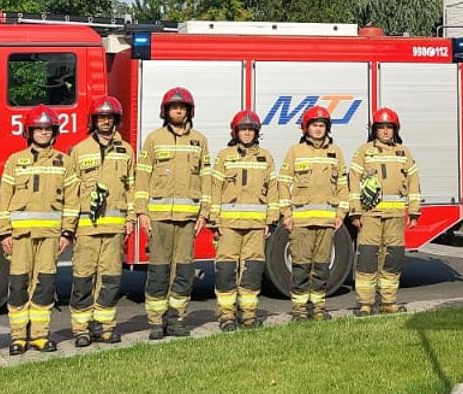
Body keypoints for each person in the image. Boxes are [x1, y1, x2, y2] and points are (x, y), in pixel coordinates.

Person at [133, 87, 210, 339]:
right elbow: (142, 177)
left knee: (183, 272)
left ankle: (176, 319)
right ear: (165, 111)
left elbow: (206, 179)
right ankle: (156, 322)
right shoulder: (154, 139)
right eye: (173, 107)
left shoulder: (199, 140)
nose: (178, 110)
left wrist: (204, 213)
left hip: (188, 221)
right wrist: (142, 213)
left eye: (182, 107)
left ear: (189, 111)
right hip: (159, 219)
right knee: (158, 272)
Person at [0, 105, 73, 354]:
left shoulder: (65, 161)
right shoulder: (14, 161)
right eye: (38, 128)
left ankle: (40, 336)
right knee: (19, 285)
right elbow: (4, 199)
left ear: (54, 132)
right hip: (20, 237)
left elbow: (72, 200)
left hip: (51, 237)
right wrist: (5, 232)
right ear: (29, 132)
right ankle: (18, 338)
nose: (43, 132)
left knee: (44, 285)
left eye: (47, 128)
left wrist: (67, 232)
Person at [64, 96, 134, 346]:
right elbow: (71, 193)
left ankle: (105, 326)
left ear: (117, 119)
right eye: (101, 117)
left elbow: (131, 188)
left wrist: (131, 219)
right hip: (86, 228)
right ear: (93, 121)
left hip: (114, 228)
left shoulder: (126, 150)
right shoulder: (79, 150)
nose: (105, 121)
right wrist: (68, 228)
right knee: (83, 278)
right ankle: (81, 329)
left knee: (111, 279)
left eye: (110, 117)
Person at [208, 110, 278, 331]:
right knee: (227, 270)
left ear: (256, 133)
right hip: (228, 226)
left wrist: (271, 220)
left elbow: (273, 191)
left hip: (256, 226)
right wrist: (214, 220)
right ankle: (226, 316)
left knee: (252, 270)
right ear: (235, 132)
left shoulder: (266, 157)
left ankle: (248, 315)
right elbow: (214, 190)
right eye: (243, 129)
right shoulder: (224, 156)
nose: (247, 133)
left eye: (251, 130)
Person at [347, 107, 421, 316]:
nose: (386, 131)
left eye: (390, 127)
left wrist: (414, 212)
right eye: (382, 127)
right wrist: (355, 212)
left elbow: (413, 182)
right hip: (370, 215)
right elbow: (353, 182)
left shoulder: (404, 152)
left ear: (395, 130)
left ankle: (389, 303)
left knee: (393, 258)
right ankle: (365, 304)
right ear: (375, 130)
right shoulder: (364, 151)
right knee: (367, 258)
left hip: (396, 216)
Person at [277, 105, 347, 321]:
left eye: (321, 125)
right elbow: (283, 183)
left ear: (327, 128)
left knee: (322, 266)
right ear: (305, 128)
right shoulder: (295, 152)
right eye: (314, 125)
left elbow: (343, 185)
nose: (318, 129)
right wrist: (286, 214)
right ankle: (299, 310)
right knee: (300, 266)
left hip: (327, 221)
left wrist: (341, 213)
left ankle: (318, 308)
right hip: (301, 221)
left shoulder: (336, 152)